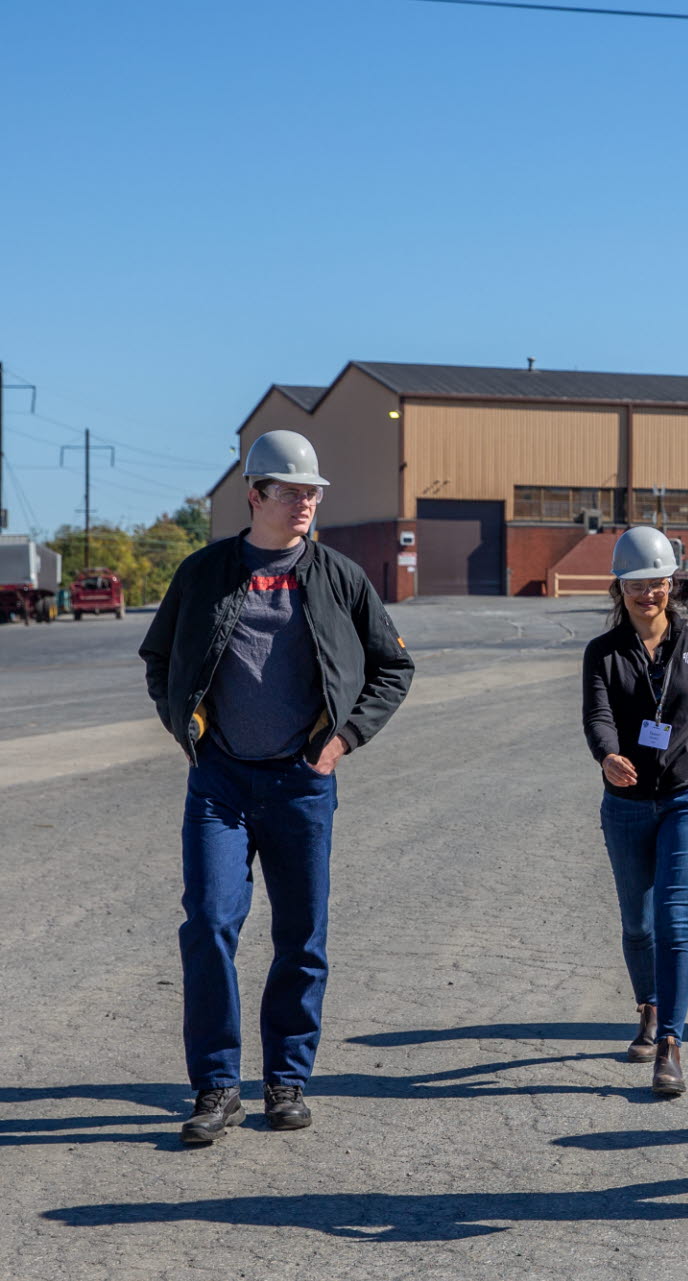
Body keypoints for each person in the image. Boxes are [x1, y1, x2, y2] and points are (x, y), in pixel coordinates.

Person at [138, 429, 414, 1144]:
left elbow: (393, 668)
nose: (305, 502)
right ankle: (216, 1085)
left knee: (301, 936)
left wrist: (343, 737)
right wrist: (186, 728)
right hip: (220, 784)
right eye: (291, 491)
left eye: (313, 492)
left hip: (301, 782)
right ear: (254, 494)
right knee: (208, 922)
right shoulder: (203, 574)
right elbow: (159, 658)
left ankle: (286, 1078)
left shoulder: (339, 577)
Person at [582, 526, 688, 1097]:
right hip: (627, 804)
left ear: (671, 582)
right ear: (620, 586)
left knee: (674, 918)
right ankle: (649, 1007)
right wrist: (607, 754)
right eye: (635, 584)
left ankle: (671, 1044)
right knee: (638, 921)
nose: (646, 594)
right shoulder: (603, 653)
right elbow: (598, 715)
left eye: (656, 583)